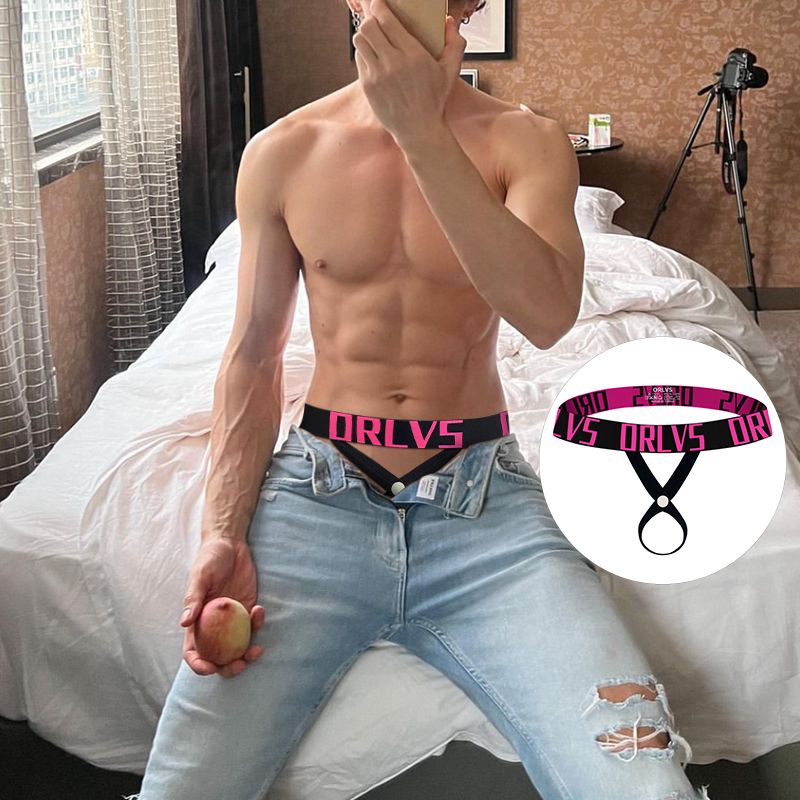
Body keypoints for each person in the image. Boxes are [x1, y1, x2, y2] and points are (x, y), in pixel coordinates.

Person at [132, 1, 711, 798]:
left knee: (644, 781)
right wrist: (221, 531)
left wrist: (420, 131)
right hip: (316, 497)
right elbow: (252, 356)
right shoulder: (284, 151)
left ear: (467, 4)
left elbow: (547, 316)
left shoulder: (526, 142)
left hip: (486, 513)